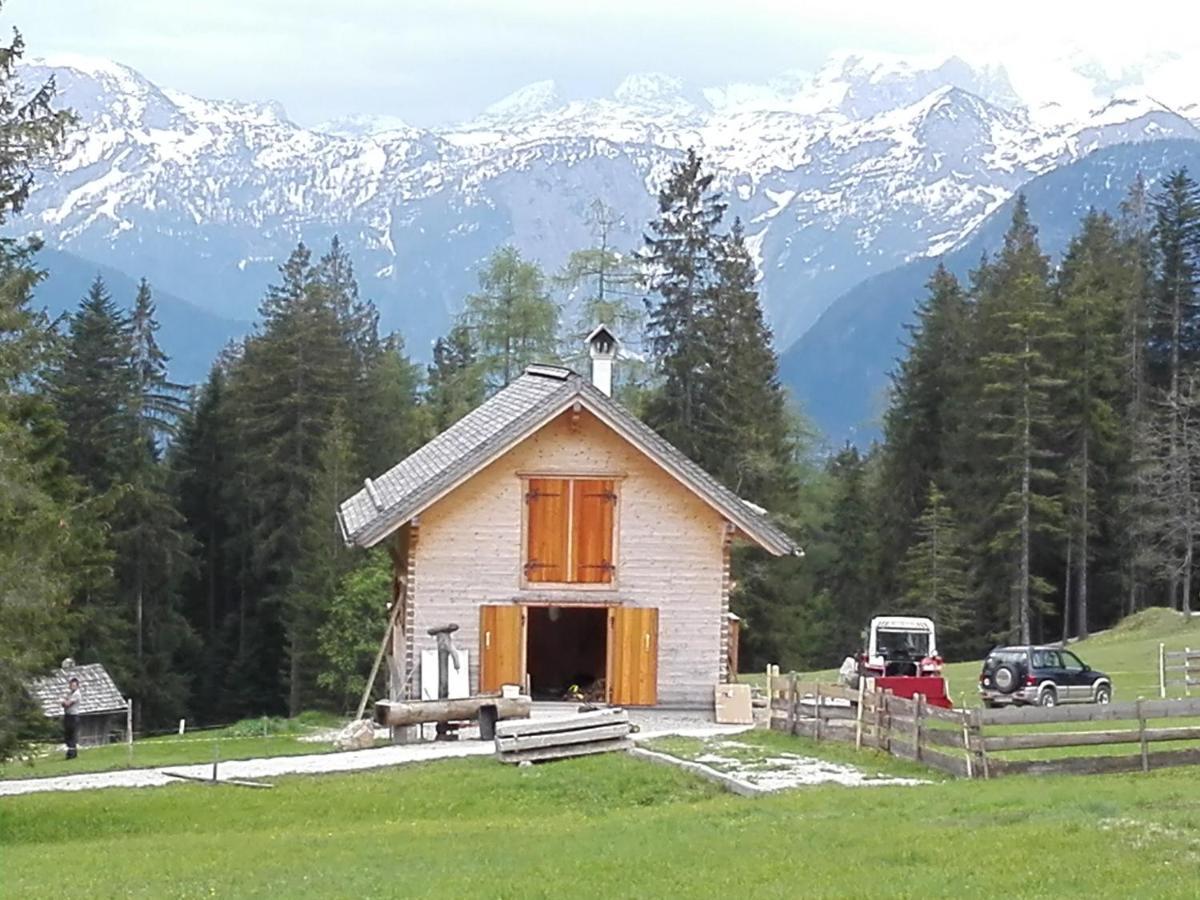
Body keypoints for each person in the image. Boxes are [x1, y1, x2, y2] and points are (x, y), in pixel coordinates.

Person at [61, 676, 81, 759]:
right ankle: (71, 751)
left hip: (73, 716)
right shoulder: (70, 693)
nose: (72, 687)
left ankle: (72, 753)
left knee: (72, 734)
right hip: (68, 715)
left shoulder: (77, 694)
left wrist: (64, 702)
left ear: (77, 686)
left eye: (74, 685)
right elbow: (64, 703)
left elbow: (67, 704)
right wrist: (64, 702)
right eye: (71, 685)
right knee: (67, 734)